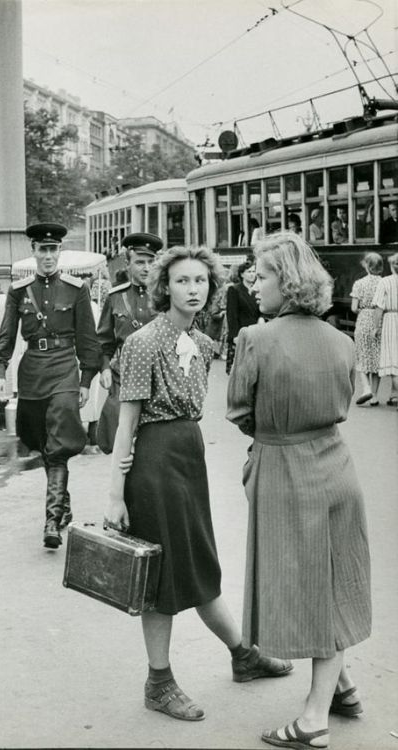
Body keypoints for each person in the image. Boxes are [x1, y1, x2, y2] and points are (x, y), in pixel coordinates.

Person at [104, 244, 293, 723]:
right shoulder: (144, 342)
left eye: (201, 281)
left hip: (188, 461)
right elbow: (126, 424)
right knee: (160, 575)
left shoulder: (203, 341)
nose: (193, 289)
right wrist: (114, 495)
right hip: (153, 464)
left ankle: (243, 655)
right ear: (164, 287)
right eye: (183, 281)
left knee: (200, 563)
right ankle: (158, 682)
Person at [227, 232, 371, 750]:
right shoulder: (342, 341)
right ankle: (342, 688)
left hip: (284, 471)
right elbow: (349, 399)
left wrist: (272, 438)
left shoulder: (256, 340)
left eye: (261, 274)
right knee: (330, 580)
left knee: (300, 587)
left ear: (285, 283)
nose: (253, 282)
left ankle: (312, 720)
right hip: (336, 467)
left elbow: (240, 411)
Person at [0, 223, 101, 549]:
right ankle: (63, 504)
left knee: (60, 439)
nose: (48, 256)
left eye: (53, 250)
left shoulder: (76, 289)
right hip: (32, 374)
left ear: (60, 252)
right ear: (34, 252)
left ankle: (51, 520)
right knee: (41, 439)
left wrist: (85, 380)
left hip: (65, 369)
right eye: (43, 250)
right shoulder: (18, 291)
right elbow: (6, 337)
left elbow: (87, 340)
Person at [96, 232, 162, 452]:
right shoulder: (116, 297)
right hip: (123, 377)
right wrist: (104, 368)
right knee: (121, 442)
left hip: (159, 377)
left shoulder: (166, 297)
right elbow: (104, 341)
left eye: (151, 262)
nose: (146, 268)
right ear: (128, 264)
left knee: (154, 442)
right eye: (140, 262)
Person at [350, 252, 383, 406]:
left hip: (364, 319)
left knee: (362, 355)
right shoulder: (384, 283)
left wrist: (363, 310)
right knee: (376, 358)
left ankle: (366, 388)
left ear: (367, 266)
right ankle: (375, 396)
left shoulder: (359, 283)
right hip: (379, 319)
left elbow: (354, 308)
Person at [372, 252, 398, 409]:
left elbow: (379, 307)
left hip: (390, 320)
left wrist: (376, 327)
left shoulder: (385, 282)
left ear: (391, 265)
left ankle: (396, 394)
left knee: (393, 357)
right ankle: (394, 393)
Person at [225, 259, 260, 375]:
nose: (252, 274)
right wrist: (235, 335)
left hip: (255, 333)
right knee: (239, 371)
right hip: (240, 332)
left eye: (254, 271)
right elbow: (231, 314)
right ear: (242, 274)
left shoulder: (257, 290)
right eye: (249, 271)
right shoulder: (234, 290)